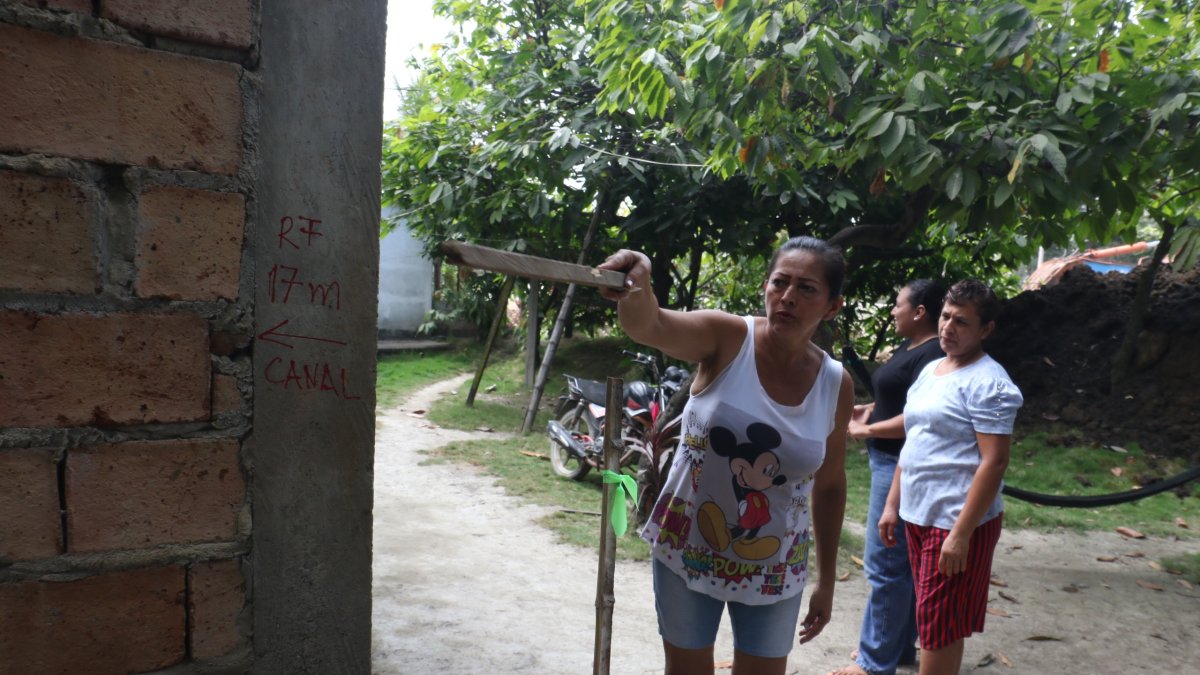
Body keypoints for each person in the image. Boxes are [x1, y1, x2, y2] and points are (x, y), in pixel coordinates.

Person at [599, 237, 855, 675]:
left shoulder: (835, 384)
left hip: (776, 564)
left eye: (807, 288)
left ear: (832, 307)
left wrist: (826, 582)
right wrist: (637, 280)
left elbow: (830, 484)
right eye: (780, 282)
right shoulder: (729, 338)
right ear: (765, 286)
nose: (788, 297)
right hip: (688, 546)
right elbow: (652, 325)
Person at [878, 279, 1023, 675]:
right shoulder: (932, 371)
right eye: (945, 317)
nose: (948, 328)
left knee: (938, 627)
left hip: (955, 520)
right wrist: (892, 504)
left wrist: (961, 534)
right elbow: (915, 439)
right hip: (919, 514)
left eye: (962, 322)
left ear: (986, 329)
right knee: (938, 621)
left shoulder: (989, 384)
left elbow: (995, 462)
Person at [831, 280, 945, 675]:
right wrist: (870, 409)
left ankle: (874, 661)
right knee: (904, 563)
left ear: (919, 312)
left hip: (900, 465)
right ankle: (898, 649)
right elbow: (899, 399)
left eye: (899, 305)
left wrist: (868, 430)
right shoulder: (911, 346)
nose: (893, 311)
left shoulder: (932, 354)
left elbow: (918, 417)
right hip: (888, 460)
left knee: (886, 563)